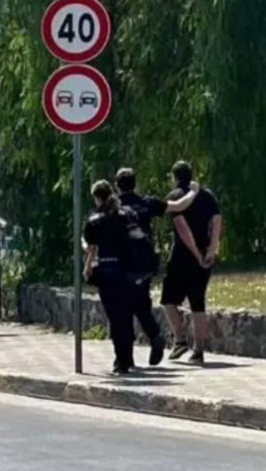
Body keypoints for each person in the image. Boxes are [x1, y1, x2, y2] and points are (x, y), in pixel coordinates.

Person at [114, 167, 197, 366]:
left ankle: (124, 358)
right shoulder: (147, 203)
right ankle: (154, 336)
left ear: (117, 186)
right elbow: (177, 205)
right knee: (141, 304)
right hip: (143, 264)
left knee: (122, 310)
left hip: (121, 265)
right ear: (135, 183)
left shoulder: (113, 207)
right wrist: (193, 191)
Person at [161, 160, 222, 365]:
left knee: (168, 300)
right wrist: (210, 251)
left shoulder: (174, 197)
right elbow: (216, 222)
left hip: (181, 256)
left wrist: (195, 254)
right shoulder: (207, 195)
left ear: (174, 177)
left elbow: (182, 228)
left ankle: (179, 340)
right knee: (198, 302)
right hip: (205, 255)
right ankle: (198, 351)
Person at [82, 179, 143, 375]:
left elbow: (91, 249)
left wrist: (87, 268)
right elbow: (138, 239)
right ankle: (127, 357)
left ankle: (121, 362)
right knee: (126, 314)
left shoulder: (94, 221)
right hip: (128, 271)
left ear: (97, 197)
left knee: (115, 317)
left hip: (107, 271)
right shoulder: (127, 215)